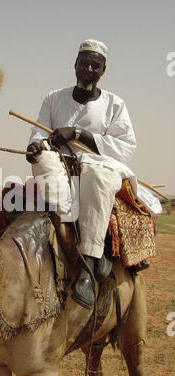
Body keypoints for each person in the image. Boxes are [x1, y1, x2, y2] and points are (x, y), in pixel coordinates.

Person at [26, 39, 161, 310]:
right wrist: (36, 146)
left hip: (100, 164)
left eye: (95, 65)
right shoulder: (53, 98)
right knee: (42, 162)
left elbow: (125, 147)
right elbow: (39, 132)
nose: (88, 68)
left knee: (96, 176)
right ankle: (70, 231)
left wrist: (78, 134)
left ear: (103, 70)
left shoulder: (115, 104)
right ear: (75, 66)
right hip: (60, 162)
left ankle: (88, 265)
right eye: (84, 63)